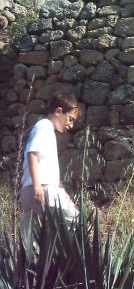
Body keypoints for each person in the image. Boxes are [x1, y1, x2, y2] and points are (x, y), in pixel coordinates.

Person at [20, 91, 80, 241]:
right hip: (43, 188)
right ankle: (66, 261)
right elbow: (32, 154)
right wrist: (37, 186)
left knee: (30, 238)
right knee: (75, 220)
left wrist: (65, 195)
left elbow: (47, 169)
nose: (71, 125)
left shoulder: (45, 129)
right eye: (70, 119)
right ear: (59, 111)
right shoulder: (44, 126)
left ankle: (28, 263)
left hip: (29, 190)